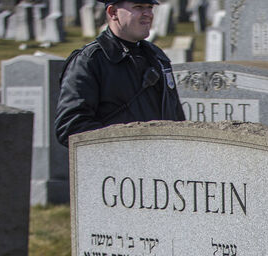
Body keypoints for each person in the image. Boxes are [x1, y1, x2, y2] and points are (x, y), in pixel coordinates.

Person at [55, 1, 184, 147]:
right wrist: (128, 145)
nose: (148, 14)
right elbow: (71, 126)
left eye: (150, 8)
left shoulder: (157, 56)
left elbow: (176, 116)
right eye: (139, 7)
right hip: (118, 164)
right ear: (113, 12)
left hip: (163, 161)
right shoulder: (90, 61)